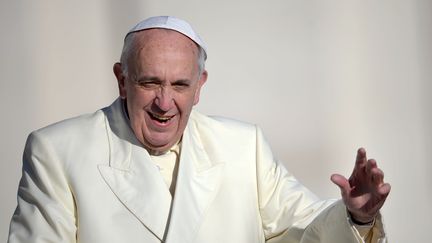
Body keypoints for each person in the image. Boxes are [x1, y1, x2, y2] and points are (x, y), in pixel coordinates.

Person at [8, 16, 390, 243]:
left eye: (179, 86)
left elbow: (306, 231)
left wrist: (356, 216)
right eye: (149, 83)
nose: (164, 102)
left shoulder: (243, 146)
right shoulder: (57, 151)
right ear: (122, 80)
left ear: (200, 86)